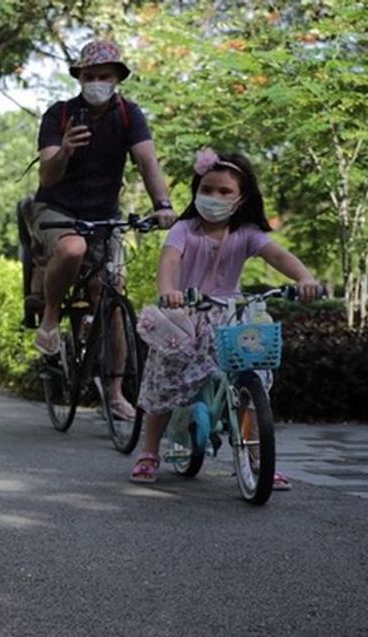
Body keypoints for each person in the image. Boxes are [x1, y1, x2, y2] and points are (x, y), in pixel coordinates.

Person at [129, 149, 321, 485]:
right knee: (164, 379)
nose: (214, 197)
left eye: (224, 191)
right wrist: (168, 292)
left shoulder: (246, 234)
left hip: (230, 317)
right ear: (195, 191)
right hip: (183, 316)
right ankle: (149, 452)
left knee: (251, 379)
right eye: (207, 189)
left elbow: (278, 255)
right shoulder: (184, 229)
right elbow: (169, 261)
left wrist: (304, 278)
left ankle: (255, 458)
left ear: (241, 198)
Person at [28, 39, 177, 418]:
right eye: (89, 76)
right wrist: (64, 150)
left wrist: (163, 206)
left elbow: (147, 162)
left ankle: (114, 392)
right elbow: (46, 174)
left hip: (103, 212)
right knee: (73, 249)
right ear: (79, 78)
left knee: (110, 296)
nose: (96, 82)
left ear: (117, 79)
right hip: (56, 208)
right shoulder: (59, 114)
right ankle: (50, 317)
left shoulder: (129, 115)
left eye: (104, 76)